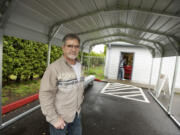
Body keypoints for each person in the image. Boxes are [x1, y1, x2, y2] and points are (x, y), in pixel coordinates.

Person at [39, 33, 84, 135]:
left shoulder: (80, 66)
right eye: (70, 46)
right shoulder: (53, 68)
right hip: (60, 117)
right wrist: (54, 119)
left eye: (76, 46)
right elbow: (45, 94)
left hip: (76, 113)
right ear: (63, 48)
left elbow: (79, 88)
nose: (73, 49)